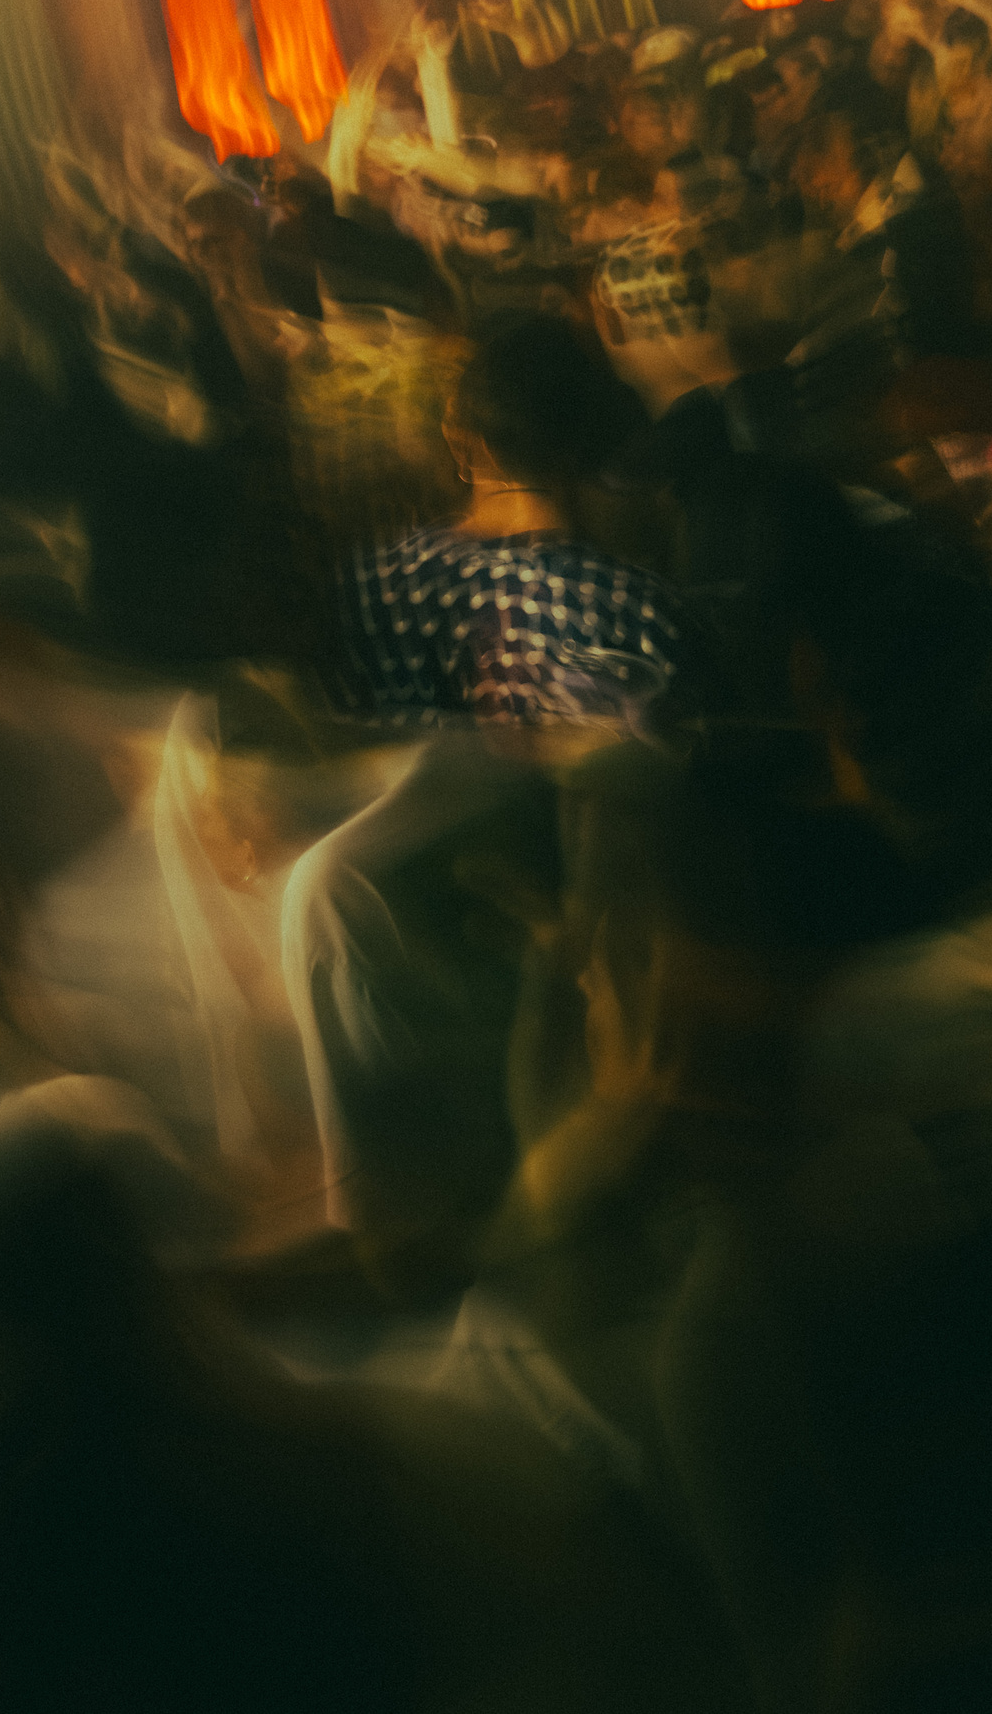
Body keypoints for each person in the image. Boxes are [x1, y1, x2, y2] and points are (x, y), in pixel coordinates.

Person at [279, 318, 691, 1270]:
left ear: (460, 441)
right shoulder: (640, 606)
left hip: (381, 934)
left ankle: (389, 1228)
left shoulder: (371, 583)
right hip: (575, 942)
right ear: (589, 448)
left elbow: (346, 746)